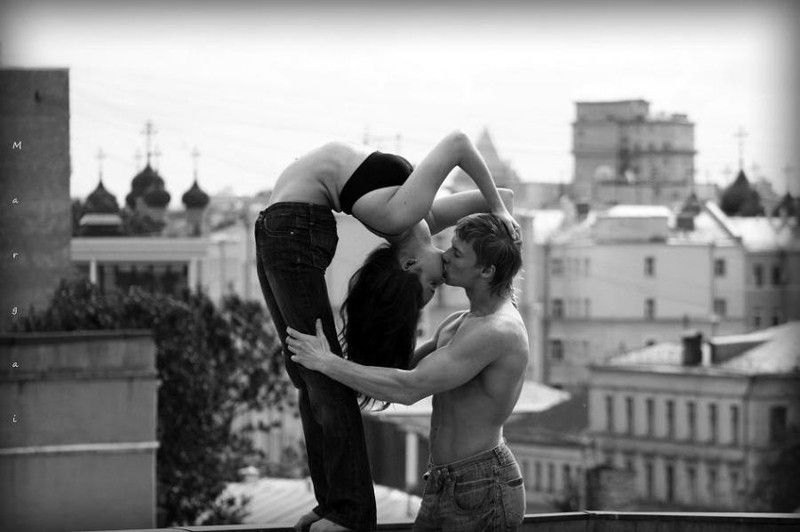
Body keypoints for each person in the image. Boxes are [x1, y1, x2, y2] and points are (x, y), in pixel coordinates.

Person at [254, 131, 519, 531]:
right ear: (409, 266)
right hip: (288, 224)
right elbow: (461, 146)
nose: (445, 269)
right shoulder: (403, 216)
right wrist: (499, 211)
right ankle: (344, 510)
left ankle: (343, 509)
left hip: (285, 222)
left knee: (315, 374)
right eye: (433, 285)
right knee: (314, 375)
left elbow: (505, 201)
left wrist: (499, 220)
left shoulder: (417, 219)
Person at [286, 212, 529, 531]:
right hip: (445, 481)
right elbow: (398, 370)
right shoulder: (460, 322)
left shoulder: (496, 330)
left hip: (481, 484)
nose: (445, 256)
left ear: (486, 270)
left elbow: (409, 387)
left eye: (457, 253)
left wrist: (326, 362)